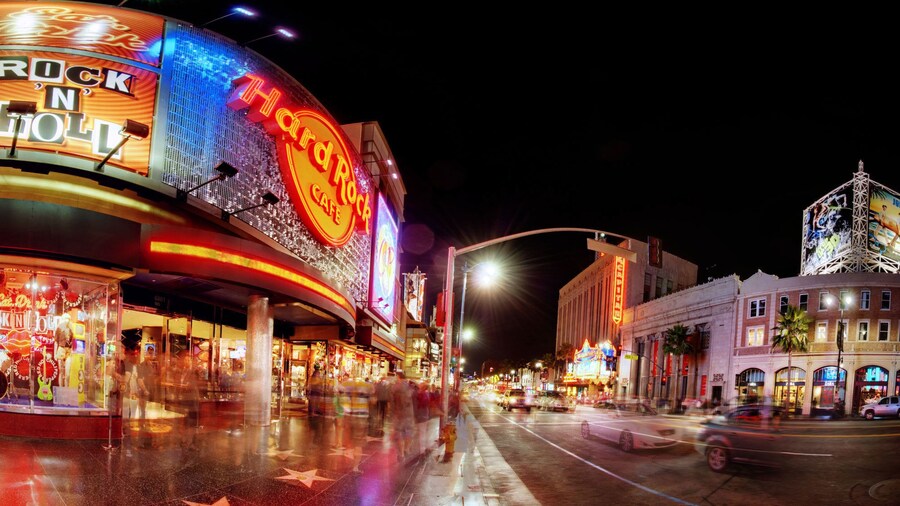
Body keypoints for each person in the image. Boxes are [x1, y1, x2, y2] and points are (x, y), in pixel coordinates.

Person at [390, 371, 415, 462]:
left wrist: (392, 413)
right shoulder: (411, 387)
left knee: (399, 433)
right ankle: (406, 449)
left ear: (398, 377)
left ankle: (400, 453)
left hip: (398, 414)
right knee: (409, 432)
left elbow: (392, 403)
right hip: (409, 413)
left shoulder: (395, 387)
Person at [54, 313, 73, 388]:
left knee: (67, 373)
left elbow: (72, 341)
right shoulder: (59, 329)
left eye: (68, 319)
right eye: (65, 319)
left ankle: (66, 389)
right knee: (61, 372)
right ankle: (61, 389)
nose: (67, 321)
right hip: (61, 349)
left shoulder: (71, 330)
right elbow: (56, 341)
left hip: (68, 350)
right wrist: (55, 354)